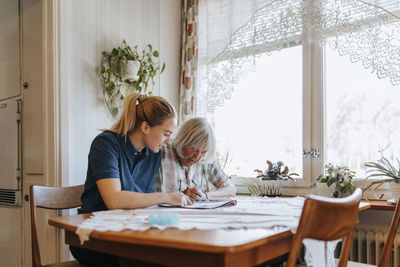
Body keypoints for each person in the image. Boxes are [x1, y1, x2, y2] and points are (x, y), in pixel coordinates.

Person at [70, 93, 191, 267]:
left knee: (175, 253)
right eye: (166, 133)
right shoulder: (105, 145)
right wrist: (167, 196)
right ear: (145, 127)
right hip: (93, 238)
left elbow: (141, 201)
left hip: (128, 231)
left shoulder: (152, 154)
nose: (168, 140)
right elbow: (114, 200)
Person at [155, 117, 236, 202]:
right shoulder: (162, 153)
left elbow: (231, 189)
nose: (197, 157)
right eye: (194, 149)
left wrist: (206, 195)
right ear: (183, 141)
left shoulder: (205, 159)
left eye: (203, 151)